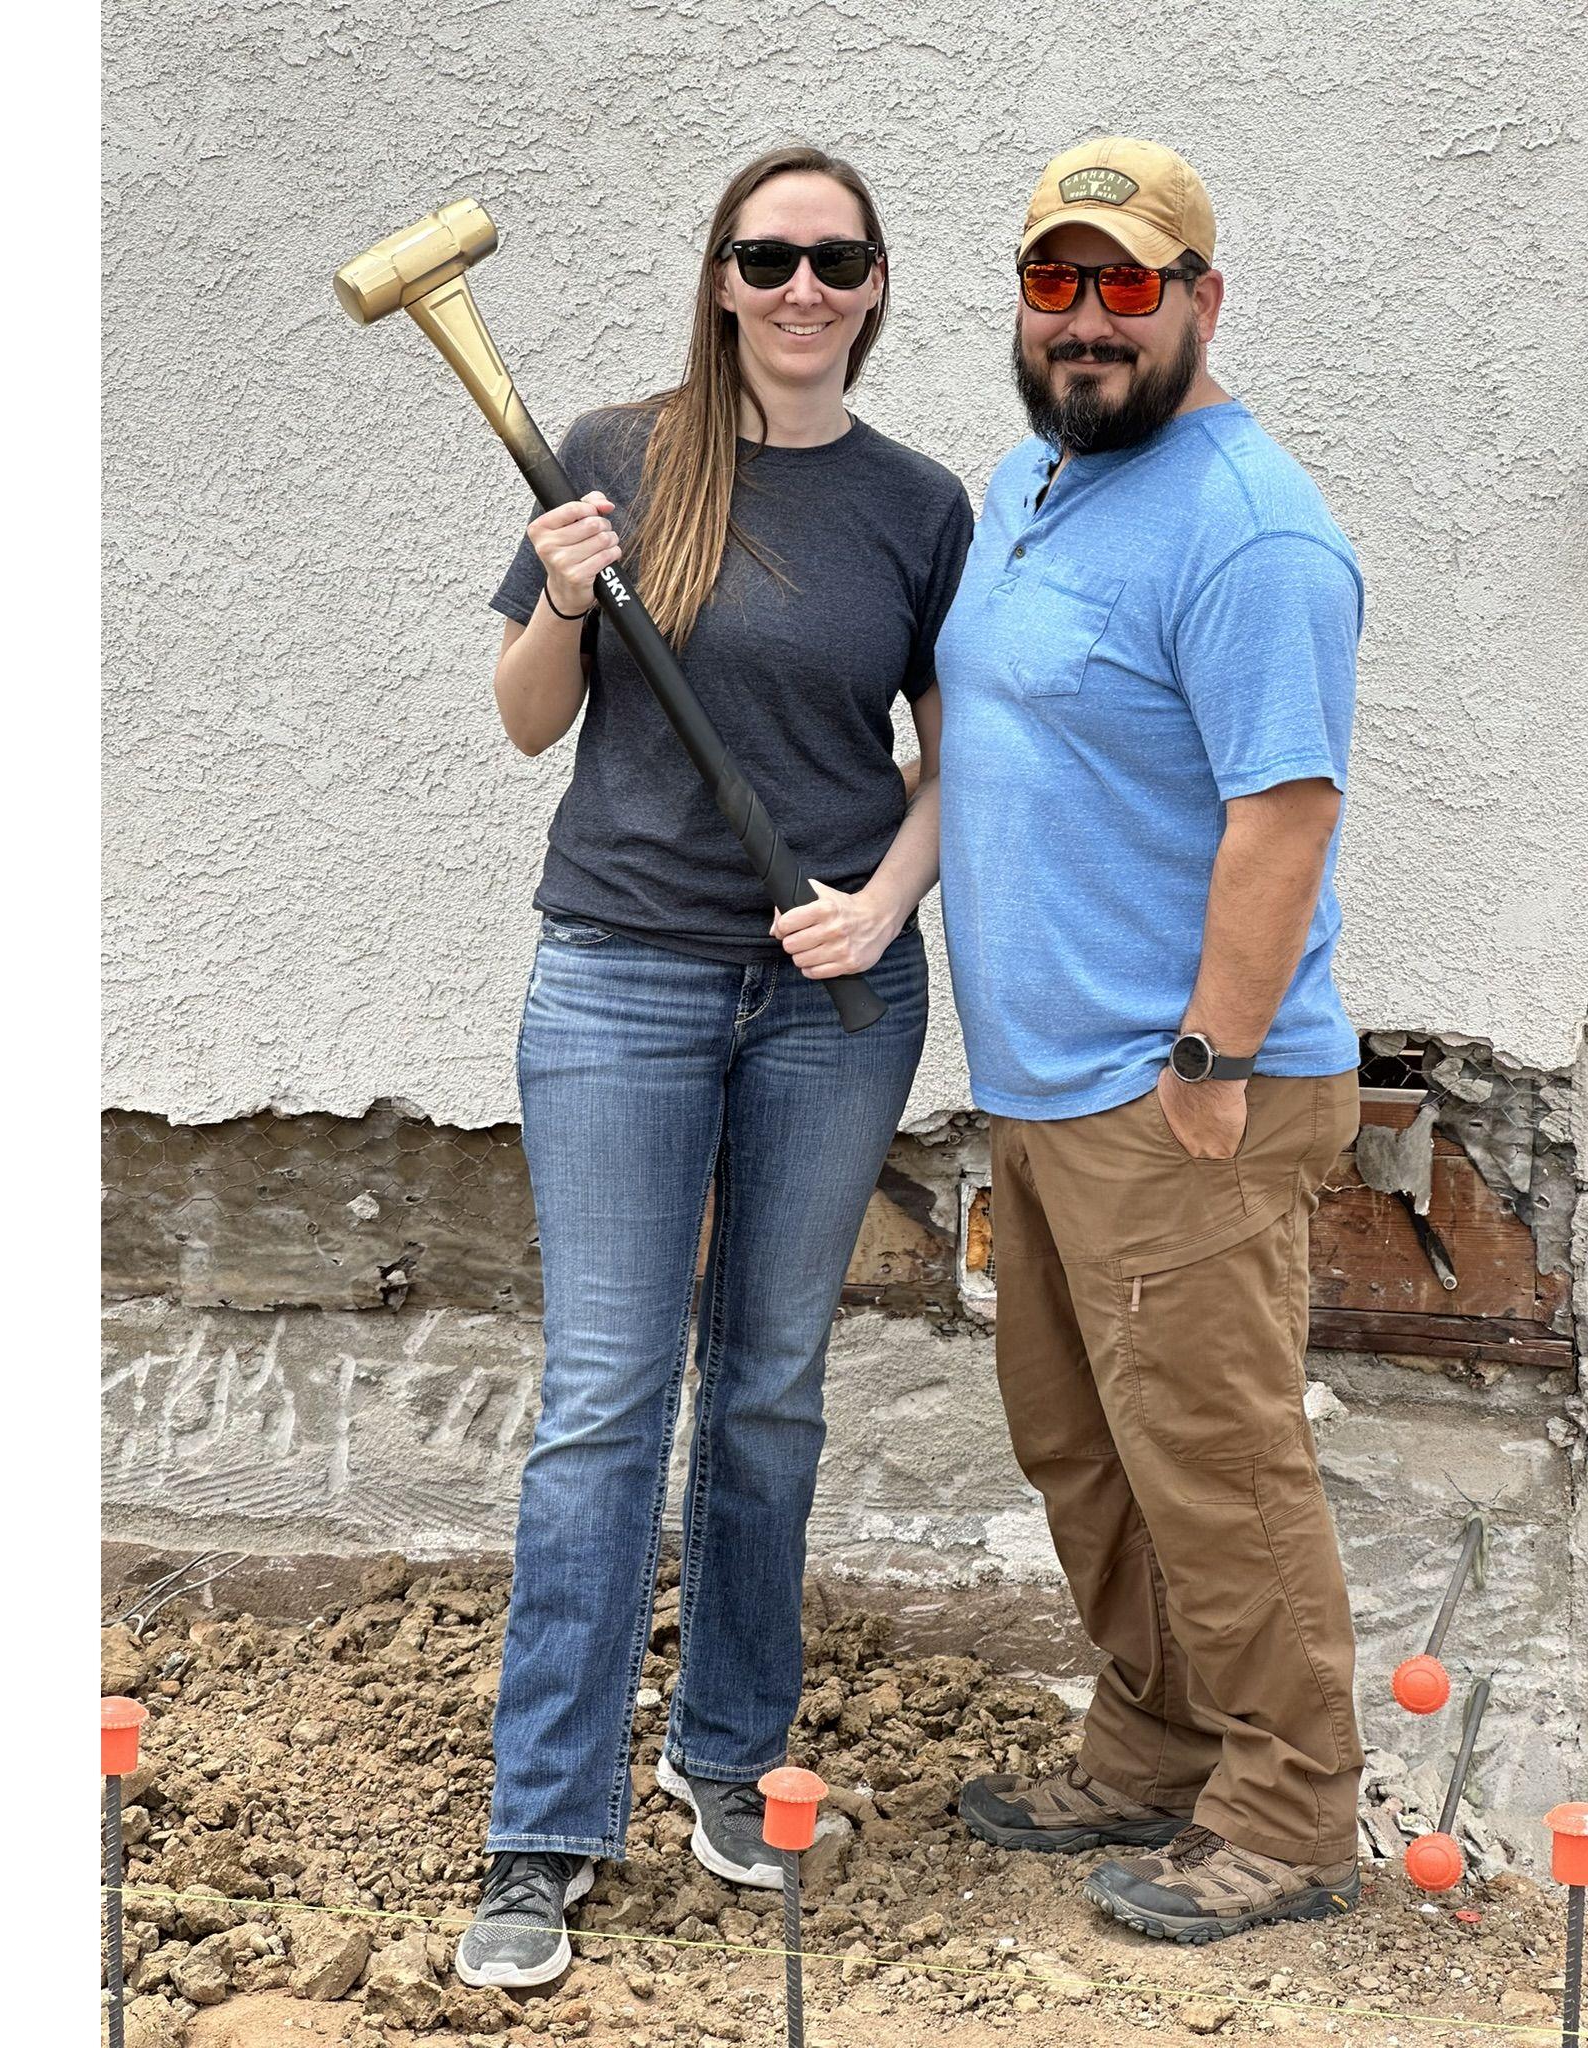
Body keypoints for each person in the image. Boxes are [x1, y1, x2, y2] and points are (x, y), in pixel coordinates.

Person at [453, 144, 973, 1990]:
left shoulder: (921, 507)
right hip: (621, 983)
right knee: (606, 1394)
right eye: (771, 256)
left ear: (877, 280)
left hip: (832, 1000)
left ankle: (734, 1757)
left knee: (766, 1390)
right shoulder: (610, 452)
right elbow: (526, 725)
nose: (803, 287)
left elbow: (952, 754)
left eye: (837, 258)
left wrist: (884, 901)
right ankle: (541, 1826)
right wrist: (570, 601)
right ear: (725, 275)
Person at [935, 137, 1367, 1944]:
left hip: (1178, 1088)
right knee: (1083, 1443)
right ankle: (1153, 1740)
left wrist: (1208, 1063)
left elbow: (1285, 815)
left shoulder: (1250, 527)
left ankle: (1289, 1806)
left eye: (1130, 285)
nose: (1091, 321)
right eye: (1059, 283)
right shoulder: (1039, 480)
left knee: (1214, 1455)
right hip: (1047, 1084)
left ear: (1203, 298)